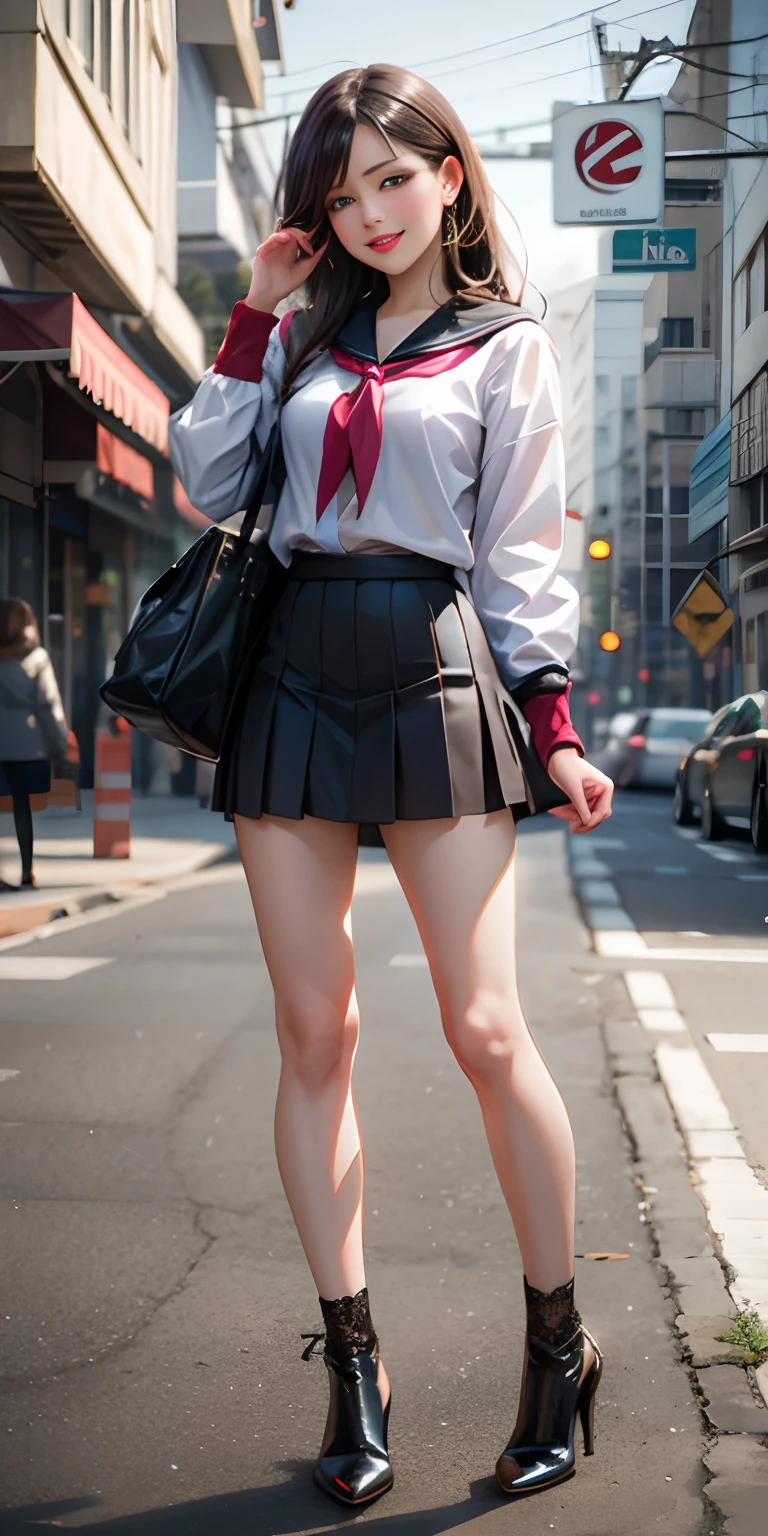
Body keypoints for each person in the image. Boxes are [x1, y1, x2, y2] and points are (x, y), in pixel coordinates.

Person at [169, 64, 614, 1508]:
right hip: (294, 661)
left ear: (451, 176)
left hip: (433, 659)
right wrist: (259, 307)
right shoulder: (302, 342)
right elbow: (201, 475)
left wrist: (550, 721)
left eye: (390, 179)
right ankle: (354, 1370)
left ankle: (561, 1344)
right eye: (339, 189)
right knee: (316, 1030)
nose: (367, 211)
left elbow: (526, 550)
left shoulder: (507, 349)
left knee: (486, 1028)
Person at [0, 598, 68, 890]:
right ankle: (27, 871)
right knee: (21, 805)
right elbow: (48, 705)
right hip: (26, 743)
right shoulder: (36, 657)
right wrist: (60, 744)